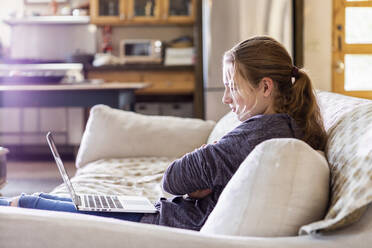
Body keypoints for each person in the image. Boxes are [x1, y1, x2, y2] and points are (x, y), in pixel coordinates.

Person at [0, 36, 327, 231]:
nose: (226, 99)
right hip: (163, 215)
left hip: (161, 227)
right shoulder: (283, 126)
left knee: (29, 203)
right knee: (40, 199)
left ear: (265, 87)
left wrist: (204, 174)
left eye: (233, 88)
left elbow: (174, 178)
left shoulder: (257, 133)